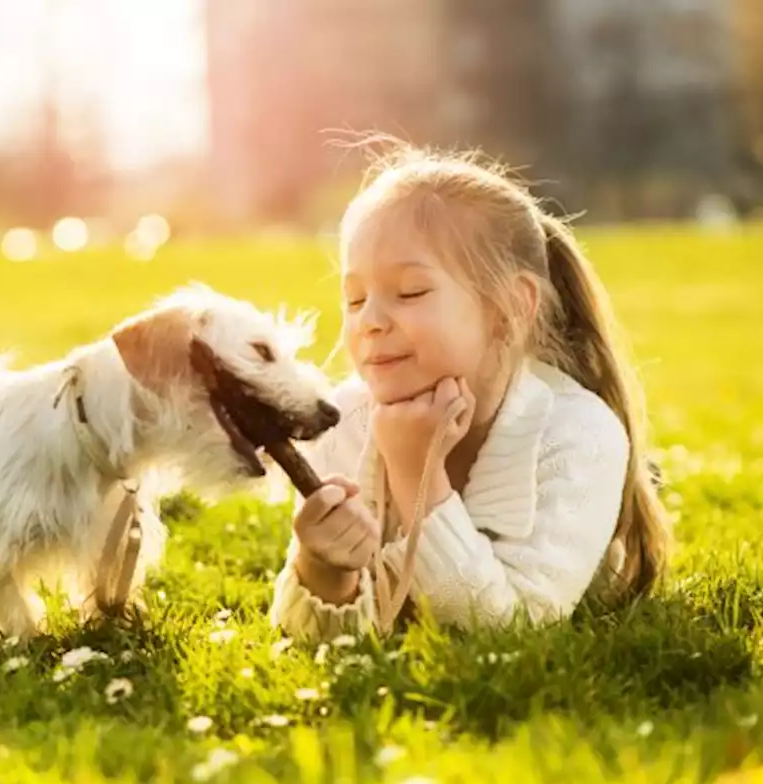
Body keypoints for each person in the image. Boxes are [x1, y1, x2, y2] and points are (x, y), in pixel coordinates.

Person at [270, 143, 672, 641]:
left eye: (410, 292)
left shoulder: (579, 433)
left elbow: (510, 631)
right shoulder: (346, 418)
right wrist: (323, 570)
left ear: (509, 307)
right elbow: (309, 640)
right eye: (355, 299)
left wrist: (418, 477)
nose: (369, 321)